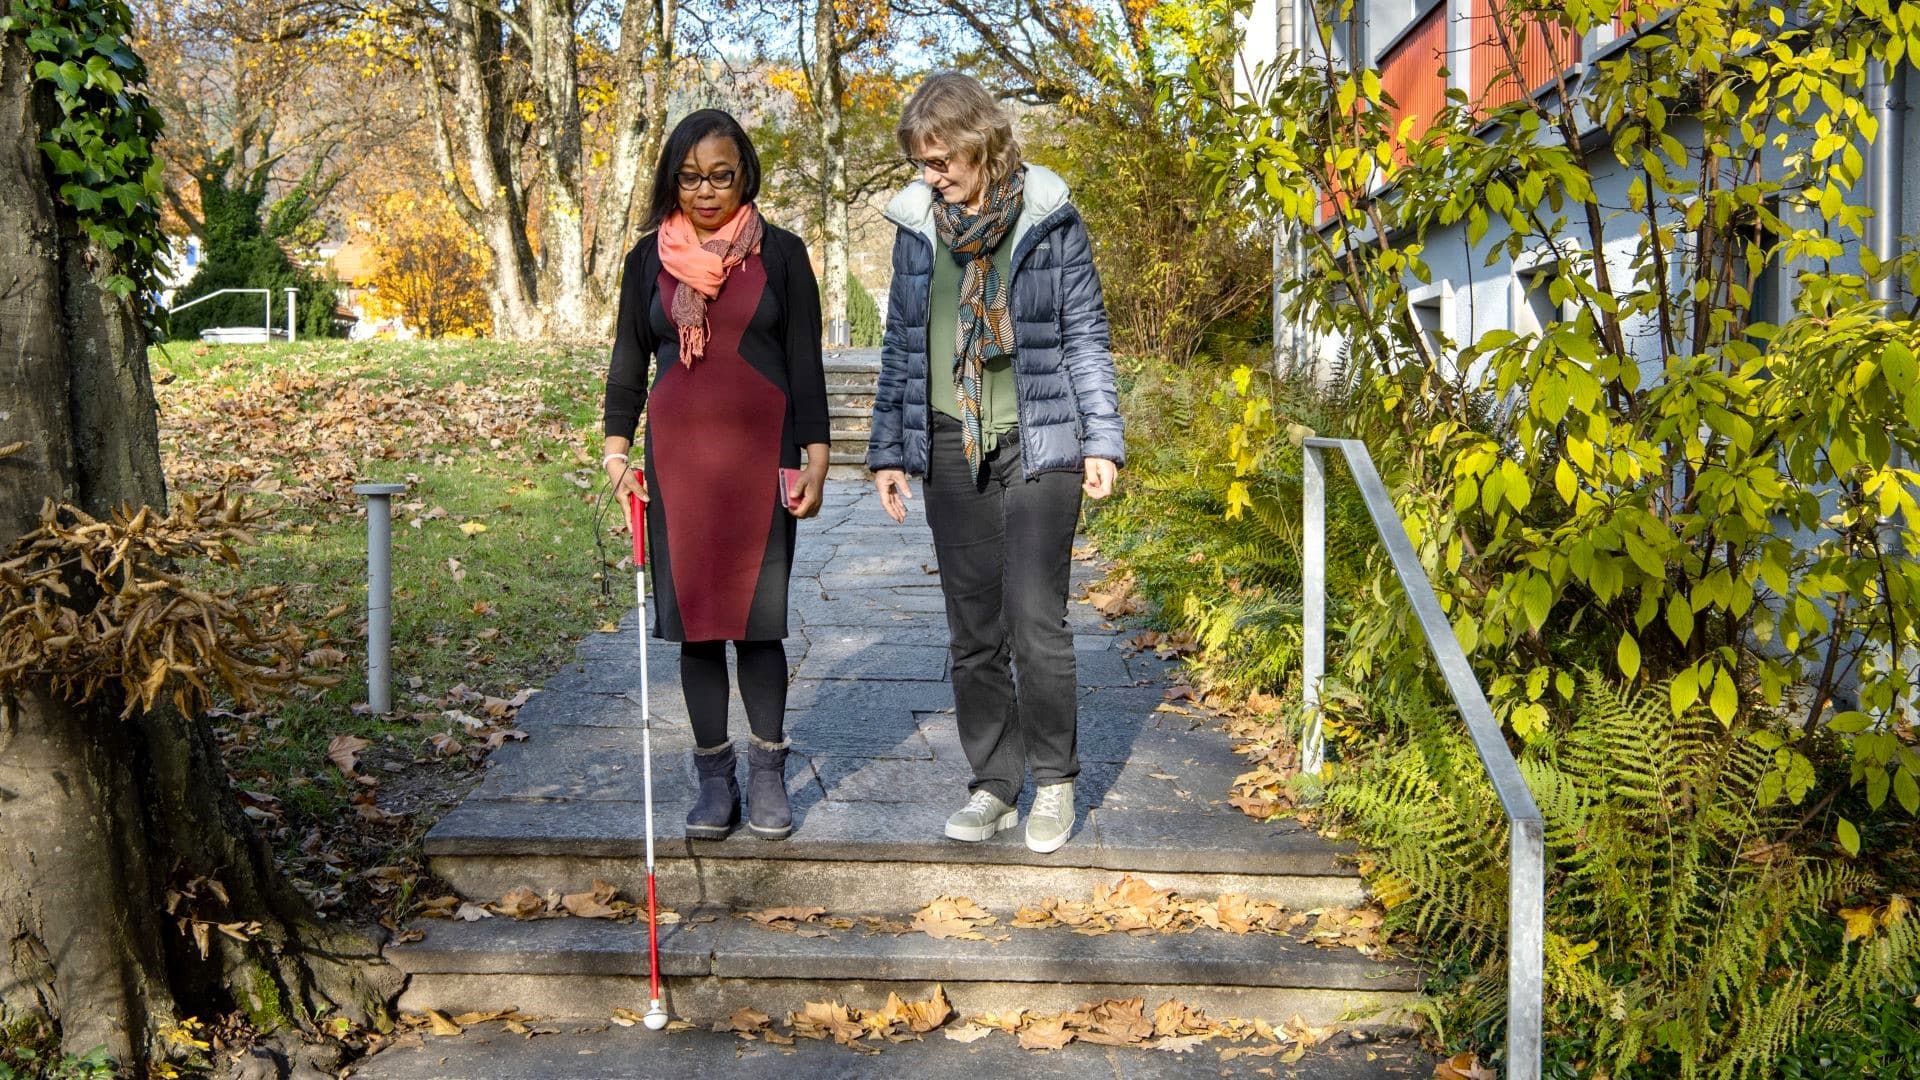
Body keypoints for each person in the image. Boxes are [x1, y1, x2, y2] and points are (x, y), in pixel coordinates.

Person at [867, 74, 1123, 854]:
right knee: (972, 629)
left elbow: (1084, 335)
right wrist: (888, 451)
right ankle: (993, 784)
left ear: (983, 144)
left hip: (1041, 438)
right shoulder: (919, 230)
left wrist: (1104, 440)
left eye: (942, 160)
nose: (931, 176)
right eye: (922, 163)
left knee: (1036, 619)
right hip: (951, 441)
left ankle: (1054, 781)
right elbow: (903, 346)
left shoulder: (1049, 220)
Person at [603, 109, 830, 842]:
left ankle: (768, 771)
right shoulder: (649, 259)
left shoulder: (784, 255)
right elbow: (626, 364)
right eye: (691, 175)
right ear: (673, 177)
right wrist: (615, 450)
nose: (705, 190)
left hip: (761, 463)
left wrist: (816, 456)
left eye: (721, 175)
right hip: (676, 465)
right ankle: (713, 777)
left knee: (758, 626)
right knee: (696, 629)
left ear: (746, 175)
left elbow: (805, 365)